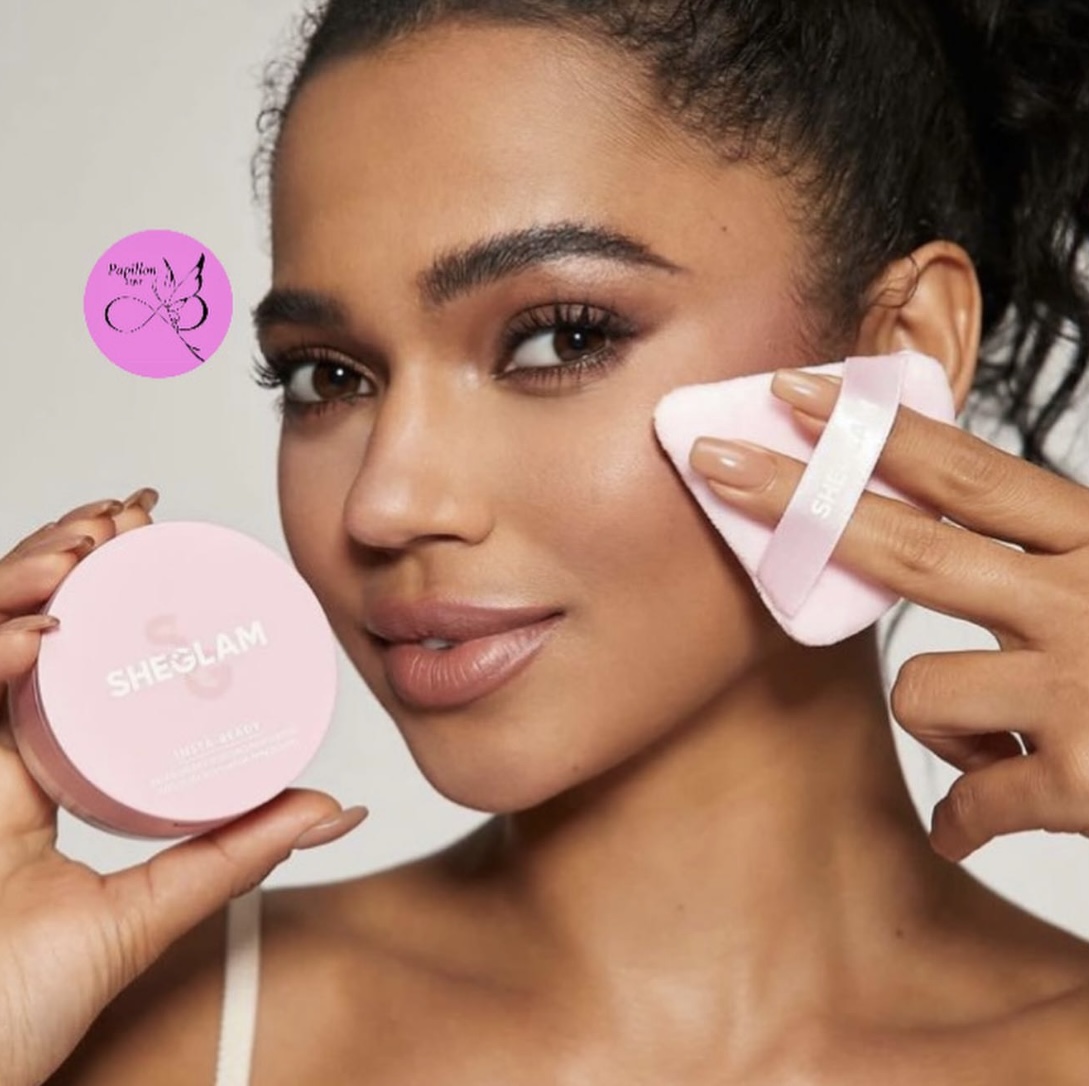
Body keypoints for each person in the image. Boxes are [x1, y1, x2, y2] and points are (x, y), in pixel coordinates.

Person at [2, 1, 1089, 1082]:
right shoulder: (149, 1038)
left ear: (897, 351)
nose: (384, 503)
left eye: (563, 338)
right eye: (327, 375)